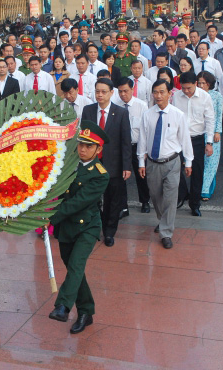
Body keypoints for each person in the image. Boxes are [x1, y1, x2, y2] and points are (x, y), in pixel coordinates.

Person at [47, 120, 110, 334]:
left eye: (89, 146)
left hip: (87, 227)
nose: (82, 149)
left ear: (98, 149)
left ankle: (62, 307)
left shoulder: (100, 174)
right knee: (76, 271)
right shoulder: (68, 163)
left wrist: (51, 218)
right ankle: (86, 311)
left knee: (75, 265)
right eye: (81, 144)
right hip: (66, 227)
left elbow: (78, 202)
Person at [138, 79, 193, 249]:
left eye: (162, 92)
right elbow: (142, 139)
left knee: (170, 198)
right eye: (156, 92)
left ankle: (166, 232)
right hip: (153, 163)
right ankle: (163, 221)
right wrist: (141, 161)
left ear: (170, 94)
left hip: (172, 162)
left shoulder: (178, 115)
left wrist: (188, 161)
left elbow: (185, 139)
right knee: (155, 196)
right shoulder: (147, 115)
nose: (159, 95)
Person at [81, 78, 131, 247]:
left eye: (103, 92)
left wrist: (126, 166)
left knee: (112, 200)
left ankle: (109, 232)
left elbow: (126, 141)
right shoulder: (88, 111)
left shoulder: (121, 113)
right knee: (92, 198)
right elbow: (83, 138)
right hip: (92, 163)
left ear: (111, 93)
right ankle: (93, 228)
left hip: (113, 165)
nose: (100, 95)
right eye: (97, 91)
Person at [172, 71, 215, 216]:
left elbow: (210, 120)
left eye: (188, 88)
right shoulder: (176, 96)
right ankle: (182, 194)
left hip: (197, 138)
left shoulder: (205, 97)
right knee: (175, 168)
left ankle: (195, 204)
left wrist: (209, 142)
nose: (185, 91)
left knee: (197, 171)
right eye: (183, 88)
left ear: (195, 84)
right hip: (179, 138)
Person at [113, 78, 150, 213]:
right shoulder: (115, 105)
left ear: (132, 90)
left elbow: (145, 130)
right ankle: (123, 207)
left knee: (141, 175)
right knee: (120, 178)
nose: (123, 94)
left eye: (126, 91)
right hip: (121, 147)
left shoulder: (142, 105)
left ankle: (145, 201)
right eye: (120, 91)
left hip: (137, 146)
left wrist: (144, 150)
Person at [197, 71, 222, 200]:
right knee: (200, 162)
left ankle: (205, 190)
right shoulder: (195, 96)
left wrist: (217, 131)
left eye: (204, 83)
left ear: (209, 84)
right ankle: (200, 187)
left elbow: (219, 115)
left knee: (211, 162)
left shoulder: (216, 96)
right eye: (199, 83)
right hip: (199, 132)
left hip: (213, 134)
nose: (201, 85)